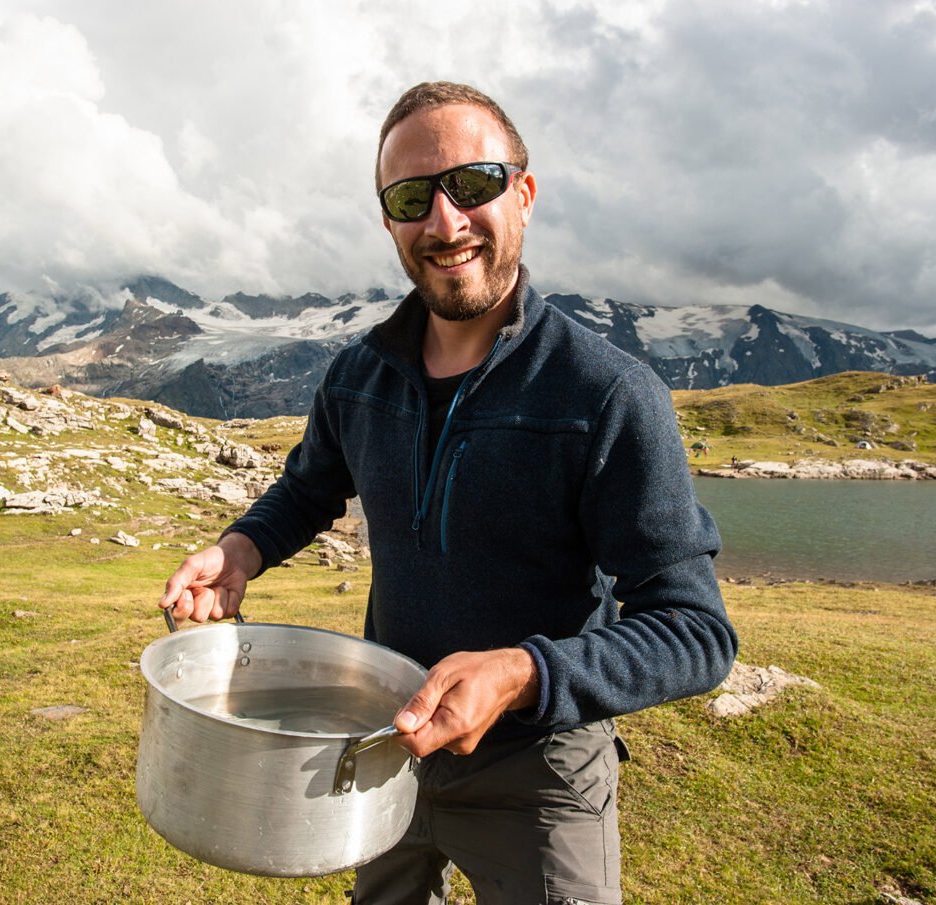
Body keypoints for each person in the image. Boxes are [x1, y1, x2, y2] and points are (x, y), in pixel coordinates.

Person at [160, 81, 738, 905]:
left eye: (472, 184)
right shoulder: (360, 375)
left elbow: (695, 631)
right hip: (385, 742)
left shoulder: (606, 394)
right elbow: (308, 489)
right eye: (409, 198)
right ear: (389, 220)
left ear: (525, 195)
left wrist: (522, 671)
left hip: (541, 769)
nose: (444, 221)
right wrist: (240, 549)